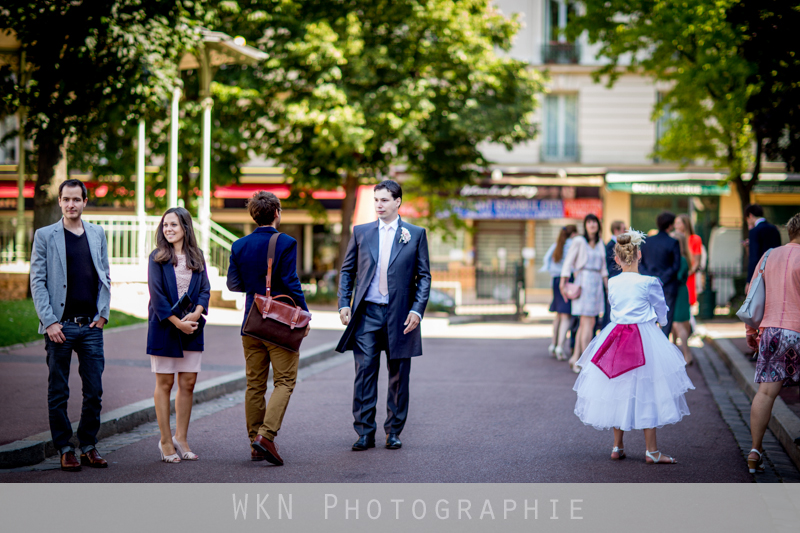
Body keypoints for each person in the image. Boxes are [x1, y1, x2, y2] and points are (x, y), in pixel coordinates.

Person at [573, 228, 694, 464]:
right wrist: (662, 323)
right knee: (649, 390)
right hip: (643, 337)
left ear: (616, 259)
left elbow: (614, 309)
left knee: (618, 387)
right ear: (640, 256)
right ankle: (652, 451)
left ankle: (617, 446)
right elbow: (662, 310)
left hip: (616, 336)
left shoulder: (614, 283)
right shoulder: (649, 282)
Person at [337, 179, 431, 451]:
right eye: (376, 200)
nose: (378, 204)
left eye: (384, 200)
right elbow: (347, 271)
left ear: (397, 202)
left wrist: (417, 309)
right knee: (364, 373)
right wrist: (345, 302)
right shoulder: (361, 232)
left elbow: (424, 276)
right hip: (366, 314)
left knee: (399, 376)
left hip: (401, 315)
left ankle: (394, 431)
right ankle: (364, 432)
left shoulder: (415, 234)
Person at [29, 179, 111, 472]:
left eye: (76, 199)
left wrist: (103, 313)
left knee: (94, 391)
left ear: (85, 201)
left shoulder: (97, 233)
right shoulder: (44, 235)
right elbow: (36, 281)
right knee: (58, 392)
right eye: (66, 199)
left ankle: (88, 445)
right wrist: (48, 321)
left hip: (90, 327)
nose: (71, 204)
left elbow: (105, 275)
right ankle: (65, 448)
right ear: (60, 201)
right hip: (59, 328)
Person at [227, 191, 309, 466]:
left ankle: (254, 443)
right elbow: (290, 280)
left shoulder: (239, 245)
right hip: (279, 324)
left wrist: (256, 286)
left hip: (251, 323)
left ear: (253, 214)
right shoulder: (286, 242)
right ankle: (266, 436)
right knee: (284, 381)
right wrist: (304, 312)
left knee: (254, 385)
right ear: (276, 213)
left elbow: (233, 285)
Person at [147, 207, 211, 463]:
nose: (168, 229)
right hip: (165, 328)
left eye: (173, 225)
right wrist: (178, 323)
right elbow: (157, 297)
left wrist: (196, 314)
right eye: (165, 225)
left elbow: (205, 289)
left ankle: (180, 438)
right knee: (165, 384)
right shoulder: (157, 257)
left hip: (192, 328)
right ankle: (164, 441)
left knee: (188, 384)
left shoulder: (198, 256)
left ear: (185, 227)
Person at [744, 213, 800, 475]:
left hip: (772, 333)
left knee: (766, 393)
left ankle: (755, 451)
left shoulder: (768, 256)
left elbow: (753, 293)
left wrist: (751, 330)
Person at [560, 214, 608, 374]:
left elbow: (604, 269)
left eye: (594, 222)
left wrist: (608, 288)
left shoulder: (601, 243)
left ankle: (575, 358)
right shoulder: (579, 241)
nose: (592, 224)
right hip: (584, 281)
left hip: (596, 284)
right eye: (589, 222)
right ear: (585, 225)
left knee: (587, 323)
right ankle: (585, 359)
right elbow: (568, 261)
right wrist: (563, 281)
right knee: (587, 323)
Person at [639, 212, 681, 336]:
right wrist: (661, 279)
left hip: (649, 286)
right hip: (668, 286)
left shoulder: (647, 241)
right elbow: (675, 266)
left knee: (649, 318)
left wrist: (651, 278)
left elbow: (640, 264)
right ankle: (663, 346)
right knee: (666, 321)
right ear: (670, 225)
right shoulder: (673, 242)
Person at [540, 225, 578, 360]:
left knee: (558, 315)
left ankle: (553, 344)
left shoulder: (557, 244)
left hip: (555, 280)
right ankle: (560, 347)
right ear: (573, 234)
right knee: (566, 315)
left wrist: (553, 271)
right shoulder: (573, 245)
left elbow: (546, 260)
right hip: (567, 280)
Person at [744, 204, 782, 292]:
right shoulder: (774, 229)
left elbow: (754, 257)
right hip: (774, 272)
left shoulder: (755, 231)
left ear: (750, 215)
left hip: (760, 274)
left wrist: (749, 280)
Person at [670, 231, 693, 366]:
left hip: (679, 292)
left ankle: (687, 354)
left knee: (679, 324)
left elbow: (677, 277)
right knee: (674, 324)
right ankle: (675, 353)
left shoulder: (682, 259)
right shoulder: (678, 257)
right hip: (676, 292)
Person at [601, 221, 626, 329]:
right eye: (624, 229)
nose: (626, 232)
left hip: (617, 281)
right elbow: (609, 267)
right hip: (613, 281)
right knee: (610, 311)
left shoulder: (618, 244)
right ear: (616, 231)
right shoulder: (611, 245)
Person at [674, 214, 702, 307]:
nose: (675, 226)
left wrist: (689, 271)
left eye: (678, 223)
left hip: (688, 274)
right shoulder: (675, 238)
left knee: (688, 301)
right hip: (677, 274)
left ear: (685, 224)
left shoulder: (695, 239)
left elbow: (697, 260)